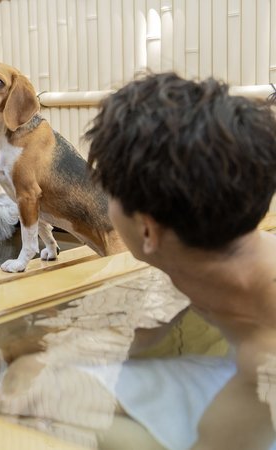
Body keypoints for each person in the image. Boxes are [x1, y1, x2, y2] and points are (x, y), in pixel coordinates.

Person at [84, 72, 276, 450]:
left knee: (38, 403)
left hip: (252, 404)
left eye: (112, 194)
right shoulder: (226, 242)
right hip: (237, 375)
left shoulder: (263, 366)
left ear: (147, 231)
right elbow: (145, 330)